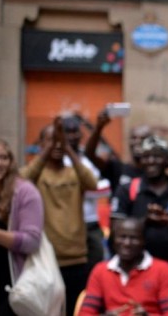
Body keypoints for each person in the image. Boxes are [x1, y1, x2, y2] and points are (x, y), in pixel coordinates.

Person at [20, 118, 98, 316]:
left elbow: (92, 183)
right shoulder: (36, 174)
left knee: (73, 309)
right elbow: (22, 182)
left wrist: (68, 149)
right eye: (50, 140)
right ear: (41, 144)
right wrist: (45, 152)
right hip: (45, 259)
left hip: (76, 258)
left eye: (59, 140)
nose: (56, 145)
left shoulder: (74, 173)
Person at [111, 135, 168, 275]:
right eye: (146, 157)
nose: (151, 161)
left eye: (157, 156)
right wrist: (146, 221)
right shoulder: (127, 190)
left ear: (167, 160)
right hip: (133, 269)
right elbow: (116, 230)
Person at [80, 218, 168, 316]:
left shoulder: (165, 271)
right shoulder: (101, 271)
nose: (127, 243)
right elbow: (84, 313)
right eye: (122, 237)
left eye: (133, 238)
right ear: (114, 241)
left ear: (144, 241)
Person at [0, 139, 44, 315]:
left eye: (3, 158)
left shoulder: (25, 192)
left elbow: (32, 241)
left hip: (13, 283)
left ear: (11, 162)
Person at [62, 116, 111, 272]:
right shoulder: (58, 161)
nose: (71, 136)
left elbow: (105, 189)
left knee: (96, 266)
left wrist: (77, 187)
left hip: (91, 223)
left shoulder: (89, 159)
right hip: (66, 226)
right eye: (67, 132)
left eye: (75, 131)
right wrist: (86, 186)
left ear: (81, 134)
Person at [85, 110, 152, 194]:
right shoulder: (117, 169)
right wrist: (99, 128)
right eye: (134, 138)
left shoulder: (154, 174)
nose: (137, 142)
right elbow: (89, 154)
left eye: (143, 139)